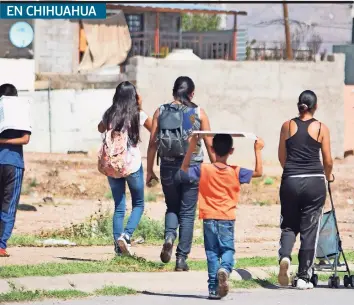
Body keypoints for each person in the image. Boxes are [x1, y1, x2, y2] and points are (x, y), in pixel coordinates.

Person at [176, 133, 264, 299]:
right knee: (227, 249)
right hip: (227, 218)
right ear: (231, 151)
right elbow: (259, 172)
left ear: (212, 149)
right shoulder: (236, 171)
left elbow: (184, 169)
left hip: (208, 217)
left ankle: (213, 288)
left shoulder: (203, 169)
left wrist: (192, 146)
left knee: (211, 252)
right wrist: (257, 149)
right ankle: (225, 268)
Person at [146, 76, 215, 271]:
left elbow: (152, 145)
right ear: (192, 93)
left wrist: (149, 170)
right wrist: (218, 166)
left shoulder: (160, 111)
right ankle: (181, 259)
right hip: (192, 168)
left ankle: (169, 237)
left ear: (173, 92)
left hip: (168, 167)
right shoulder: (199, 113)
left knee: (172, 207)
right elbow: (210, 144)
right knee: (187, 214)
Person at [277, 90, 333, 289]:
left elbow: (282, 157)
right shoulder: (321, 128)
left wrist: (292, 171)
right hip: (314, 182)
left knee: (289, 224)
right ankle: (303, 277)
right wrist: (328, 175)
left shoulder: (287, 125)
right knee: (310, 229)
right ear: (315, 106)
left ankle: (284, 257)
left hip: (291, 179)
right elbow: (327, 160)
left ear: (298, 105)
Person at [98, 81, 152, 256]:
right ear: (133, 96)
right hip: (132, 165)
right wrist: (140, 106)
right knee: (138, 204)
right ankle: (126, 236)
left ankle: (118, 250)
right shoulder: (137, 114)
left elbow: (100, 128)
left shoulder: (110, 113)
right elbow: (154, 128)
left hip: (113, 165)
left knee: (119, 206)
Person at [0, 83, 31, 257]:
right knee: (8, 206)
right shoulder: (20, 114)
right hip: (14, 164)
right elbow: (25, 139)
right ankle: (1, 245)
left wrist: (2, 142)